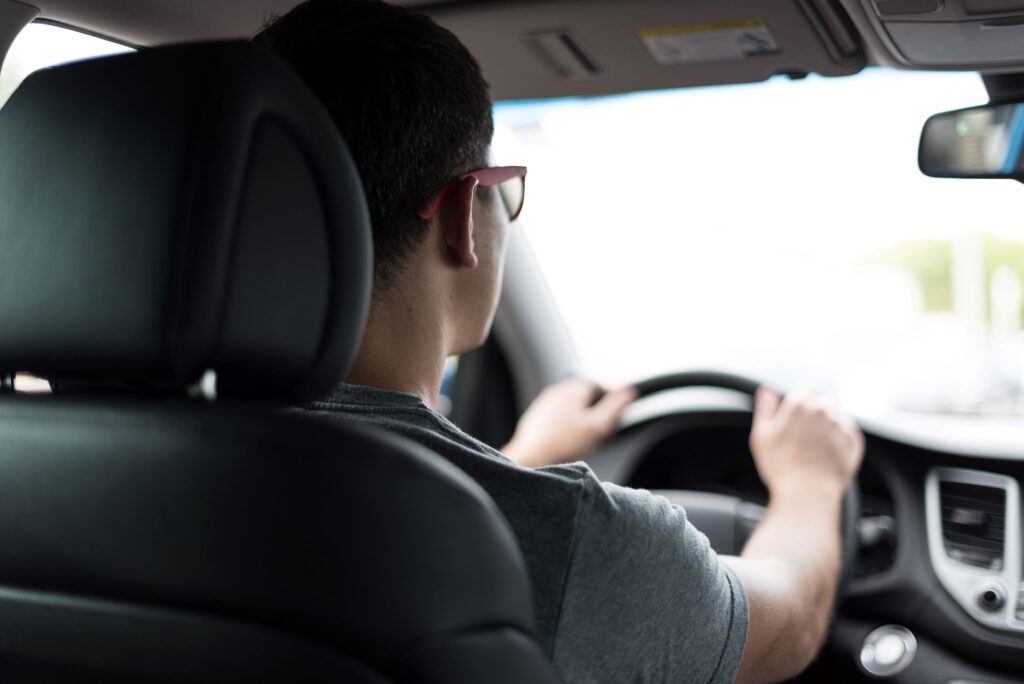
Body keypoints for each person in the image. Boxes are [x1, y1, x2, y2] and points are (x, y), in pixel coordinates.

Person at [257, 2, 864, 682]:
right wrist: (811, 481)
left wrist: (525, 457)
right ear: (464, 214)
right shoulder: (580, 541)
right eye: (502, 192)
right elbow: (791, 621)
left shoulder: (146, 465)